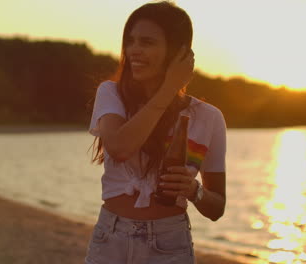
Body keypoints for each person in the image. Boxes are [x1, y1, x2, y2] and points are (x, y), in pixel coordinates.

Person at [85, 1, 227, 264]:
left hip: (169, 244)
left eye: (147, 42)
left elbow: (217, 208)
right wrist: (170, 87)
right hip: (110, 239)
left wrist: (194, 190)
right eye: (131, 41)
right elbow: (119, 148)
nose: (134, 51)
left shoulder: (209, 118)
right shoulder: (111, 94)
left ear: (178, 52)